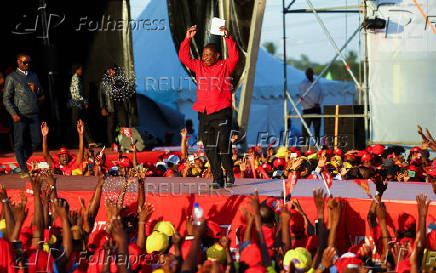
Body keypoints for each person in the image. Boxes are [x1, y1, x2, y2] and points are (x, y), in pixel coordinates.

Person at [179, 25, 239, 189]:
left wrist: (227, 36)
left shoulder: (225, 66)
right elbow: (184, 58)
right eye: (203, 55)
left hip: (221, 112)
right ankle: (217, 178)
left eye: (208, 55)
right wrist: (187, 38)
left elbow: (234, 55)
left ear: (217, 56)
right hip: (204, 113)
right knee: (209, 147)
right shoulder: (199, 66)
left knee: (222, 144)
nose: (204, 57)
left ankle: (229, 171)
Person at [3, 53, 43, 177]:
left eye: (29, 62)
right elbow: (6, 99)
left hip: (34, 113)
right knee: (19, 142)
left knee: (37, 140)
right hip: (20, 114)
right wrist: (13, 113)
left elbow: (41, 92)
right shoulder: (12, 77)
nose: (27, 65)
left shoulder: (34, 75)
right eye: (25, 62)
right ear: (18, 62)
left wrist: (36, 88)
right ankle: (23, 169)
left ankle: (22, 159)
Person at [98, 65, 132, 146]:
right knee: (111, 127)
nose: (111, 72)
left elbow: (126, 94)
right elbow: (101, 96)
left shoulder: (120, 81)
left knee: (125, 126)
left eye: (113, 70)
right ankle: (111, 145)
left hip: (121, 106)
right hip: (110, 107)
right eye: (109, 70)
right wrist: (102, 108)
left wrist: (128, 106)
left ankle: (127, 144)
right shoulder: (104, 83)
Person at [69, 64, 96, 147]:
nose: (82, 71)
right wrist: (85, 101)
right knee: (76, 124)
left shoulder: (79, 78)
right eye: (80, 69)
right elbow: (76, 93)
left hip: (79, 104)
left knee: (83, 123)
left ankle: (89, 141)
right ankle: (72, 143)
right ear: (76, 70)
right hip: (76, 104)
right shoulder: (75, 78)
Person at [298, 67, 324, 145]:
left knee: (317, 128)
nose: (309, 74)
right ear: (306, 74)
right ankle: (305, 145)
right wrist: (313, 104)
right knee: (306, 129)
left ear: (313, 73)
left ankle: (317, 144)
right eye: (308, 73)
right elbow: (303, 96)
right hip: (307, 109)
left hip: (317, 109)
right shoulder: (303, 84)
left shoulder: (317, 82)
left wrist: (318, 103)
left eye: (311, 73)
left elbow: (322, 94)